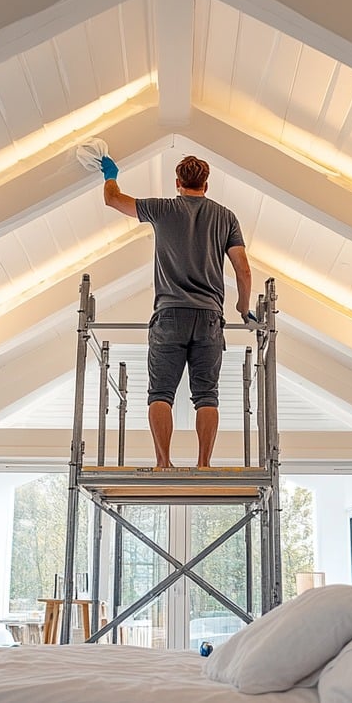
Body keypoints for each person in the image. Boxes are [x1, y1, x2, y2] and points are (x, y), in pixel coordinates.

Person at [101, 154, 253, 468]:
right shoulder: (226, 217)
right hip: (209, 317)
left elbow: (113, 200)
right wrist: (243, 307)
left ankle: (163, 462)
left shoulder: (162, 208)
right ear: (206, 185)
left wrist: (110, 174)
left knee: (160, 393)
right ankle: (203, 465)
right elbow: (244, 271)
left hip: (169, 315)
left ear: (177, 183)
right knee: (206, 395)